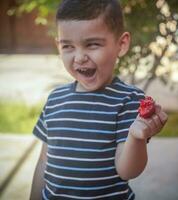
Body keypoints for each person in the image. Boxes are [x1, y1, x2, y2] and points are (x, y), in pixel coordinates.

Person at [30, 0, 168, 199]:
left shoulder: (128, 100)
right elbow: (44, 161)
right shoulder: (55, 99)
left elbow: (127, 171)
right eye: (68, 46)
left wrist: (136, 137)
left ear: (121, 44)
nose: (79, 57)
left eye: (92, 44)